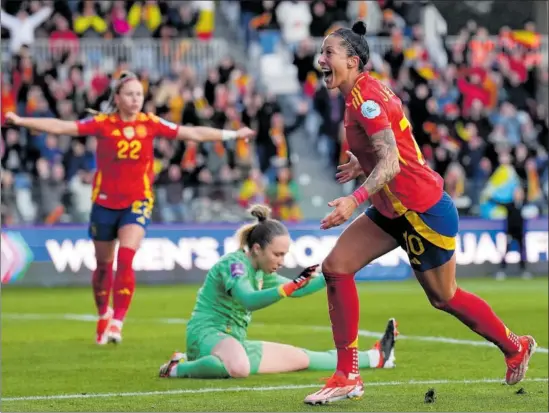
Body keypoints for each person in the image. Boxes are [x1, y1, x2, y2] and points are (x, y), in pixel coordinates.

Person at [303, 22, 537, 405]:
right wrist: (363, 163)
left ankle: (515, 346)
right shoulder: (360, 94)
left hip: (421, 210)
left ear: (353, 60)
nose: (321, 60)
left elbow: (392, 162)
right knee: (337, 267)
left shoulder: (366, 98)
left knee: (444, 297)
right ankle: (348, 375)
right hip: (393, 208)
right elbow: (396, 148)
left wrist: (353, 198)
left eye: (329, 53)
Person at [4, 71, 256, 346]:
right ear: (117, 97)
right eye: (130, 94)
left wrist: (232, 134)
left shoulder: (150, 123)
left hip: (138, 202)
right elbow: (62, 127)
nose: (136, 99)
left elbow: (191, 132)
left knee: (125, 258)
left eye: (139, 94)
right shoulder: (103, 124)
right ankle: (103, 314)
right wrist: (20, 120)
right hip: (104, 203)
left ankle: (117, 322)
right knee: (103, 265)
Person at [158, 204, 398, 379]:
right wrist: (287, 288)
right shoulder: (234, 265)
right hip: (207, 336)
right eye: (277, 254)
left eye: (284, 254)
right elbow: (248, 299)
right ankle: (179, 367)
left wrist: (339, 271)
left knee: (302, 359)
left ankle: (377, 358)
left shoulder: (262, 271)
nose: (282, 261)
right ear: (256, 249)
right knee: (239, 368)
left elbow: (297, 290)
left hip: (233, 342)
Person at [492, 186, 532, 280]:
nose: (518, 195)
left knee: (522, 252)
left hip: (520, 232)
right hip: (510, 232)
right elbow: (499, 203)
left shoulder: (525, 205)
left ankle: (523, 271)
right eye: (517, 193)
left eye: (520, 193)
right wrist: (491, 198)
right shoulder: (510, 205)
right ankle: (502, 271)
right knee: (506, 251)